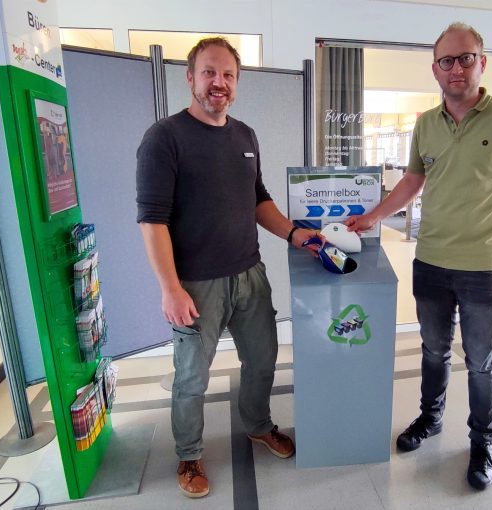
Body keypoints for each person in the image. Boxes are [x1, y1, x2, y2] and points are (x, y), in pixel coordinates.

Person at [346, 22, 492, 490]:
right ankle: (430, 420)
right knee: (432, 350)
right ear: (435, 69)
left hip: (483, 265)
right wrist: (374, 216)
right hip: (430, 260)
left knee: (480, 360)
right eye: (447, 61)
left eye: (466, 57)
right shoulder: (425, 123)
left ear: (482, 62)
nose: (456, 68)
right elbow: (413, 182)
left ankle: (481, 443)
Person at [136, 37, 320, 499]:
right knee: (192, 378)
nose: (219, 82)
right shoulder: (164, 138)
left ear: (236, 83)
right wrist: (170, 288)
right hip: (195, 285)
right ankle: (189, 454)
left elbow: (258, 199)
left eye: (228, 75)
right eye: (209, 73)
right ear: (191, 77)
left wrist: (295, 233)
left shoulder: (245, 135)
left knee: (261, 360)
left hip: (249, 275)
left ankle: (258, 426)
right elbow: (152, 220)